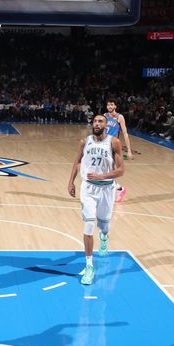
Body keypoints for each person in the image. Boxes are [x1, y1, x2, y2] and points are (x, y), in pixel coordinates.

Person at [67, 114, 124, 285]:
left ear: (106, 125)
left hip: (107, 188)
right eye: (95, 121)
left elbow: (121, 170)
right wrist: (71, 181)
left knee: (104, 225)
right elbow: (77, 162)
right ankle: (89, 265)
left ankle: (104, 236)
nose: (97, 124)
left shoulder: (114, 142)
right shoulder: (85, 142)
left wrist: (102, 176)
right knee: (89, 224)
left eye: (100, 121)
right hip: (88, 188)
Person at [104, 99, 132, 203]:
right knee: (107, 171)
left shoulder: (119, 117)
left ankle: (118, 189)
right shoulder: (104, 116)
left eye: (111, 104)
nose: (109, 106)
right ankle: (119, 189)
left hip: (113, 145)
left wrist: (128, 150)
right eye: (108, 104)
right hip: (104, 145)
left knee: (107, 171)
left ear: (115, 106)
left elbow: (125, 134)